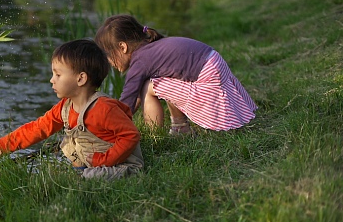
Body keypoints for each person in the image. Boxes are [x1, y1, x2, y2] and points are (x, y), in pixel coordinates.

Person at [0, 39, 144, 180]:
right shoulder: (65, 107)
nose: (51, 80)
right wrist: (3, 145)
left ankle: (86, 176)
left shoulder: (103, 108)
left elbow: (130, 135)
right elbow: (37, 129)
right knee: (79, 160)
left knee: (91, 178)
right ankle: (82, 172)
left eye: (58, 75)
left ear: (81, 78)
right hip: (93, 164)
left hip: (120, 165)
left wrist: (104, 161)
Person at [94, 14, 257, 134]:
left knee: (147, 87)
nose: (109, 62)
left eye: (109, 55)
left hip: (207, 75)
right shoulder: (152, 48)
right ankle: (180, 128)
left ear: (122, 47)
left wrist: (109, 125)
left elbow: (128, 100)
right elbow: (133, 101)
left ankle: (155, 135)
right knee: (158, 82)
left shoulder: (140, 60)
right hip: (214, 64)